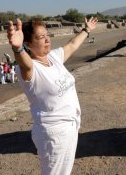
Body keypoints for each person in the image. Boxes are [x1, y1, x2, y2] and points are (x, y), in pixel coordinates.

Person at [7, 16, 98, 175]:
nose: (47, 39)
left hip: (70, 125)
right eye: (41, 37)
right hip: (53, 133)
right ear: (28, 44)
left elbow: (72, 45)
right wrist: (17, 48)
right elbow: (26, 64)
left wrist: (87, 29)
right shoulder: (30, 69)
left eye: (47, 35)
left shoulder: (53, 57)